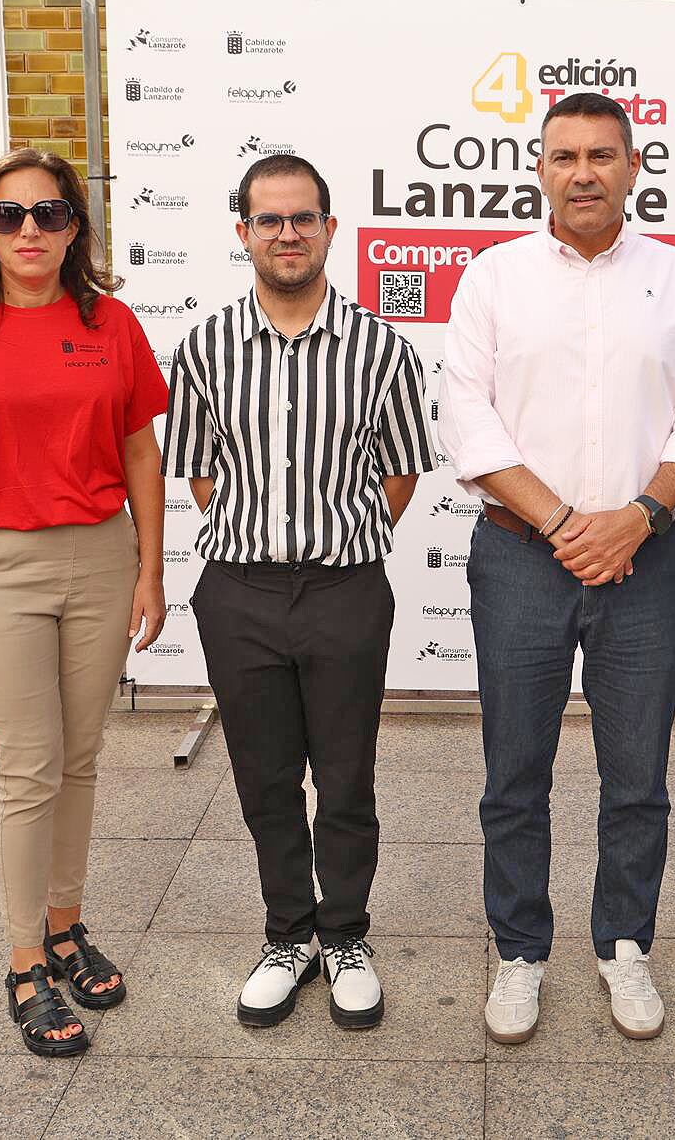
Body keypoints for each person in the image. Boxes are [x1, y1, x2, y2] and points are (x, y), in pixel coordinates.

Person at [439, 91, 675, 1045]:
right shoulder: (493, 278)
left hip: (643, 562)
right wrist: (568, 521)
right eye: (564, 156)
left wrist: (638, 518)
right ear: (539, 170)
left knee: (637, 772)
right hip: (522, 557)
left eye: (602, 155)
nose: (583, 173)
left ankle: (623, 946)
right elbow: (467, 421)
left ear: (634, 165)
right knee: (514, 770)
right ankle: (520, 950)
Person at [0, 148, 169, 1057]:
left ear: (76, 227)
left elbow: (140, 457)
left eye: (49, 214)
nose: (30, 233)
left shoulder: (112, 323)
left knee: (81, 758)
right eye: (9, 217)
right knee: (29, 764)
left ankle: (64, 925)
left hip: (98, 558)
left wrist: (150, 569)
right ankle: (22, 964)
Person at [167, 153, 434, 1031]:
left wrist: (332, 535)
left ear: (329, 227)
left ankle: (347, 934)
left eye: (303, 218)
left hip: (346, 588)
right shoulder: (203, 347)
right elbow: (200, 474)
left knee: (346, 775)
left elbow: (399, 472)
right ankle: (289, 934)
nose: (288, 233)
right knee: (265, 778)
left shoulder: (381, 347)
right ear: (242, 231)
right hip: (237, 590)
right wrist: (263, 537)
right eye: (269, 219)